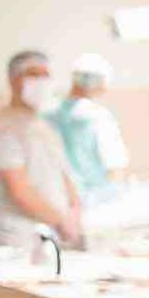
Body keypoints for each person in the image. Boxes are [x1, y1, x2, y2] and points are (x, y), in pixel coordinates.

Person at [0, 50, 82, 250]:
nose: (42, 81)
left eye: (46, 75)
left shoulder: (43, 125)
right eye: (34, 74)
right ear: (13, 80)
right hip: (20, 239)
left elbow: (64, 175)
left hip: (56, 233)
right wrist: (61, 221)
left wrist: (75, 210)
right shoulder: (1, 128)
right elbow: (19, 190)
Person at [45, 53, 129, 196]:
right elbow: (114, 165)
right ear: (100, 83)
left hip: (59, 198)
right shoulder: (98, 116)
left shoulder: (49, 114)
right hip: (96, 200)